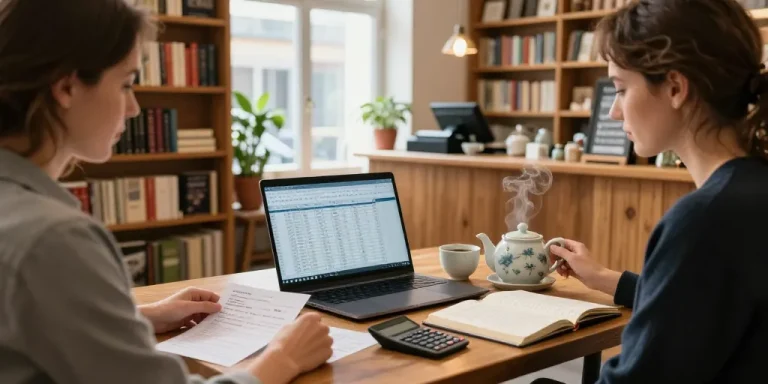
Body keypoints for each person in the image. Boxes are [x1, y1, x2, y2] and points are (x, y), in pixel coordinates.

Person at [0, 1, 332, 384]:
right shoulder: (53, 239)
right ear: (67, 86)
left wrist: (144, 315)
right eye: (125, 84)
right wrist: (281, 359)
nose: (134, 108)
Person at [534, 0, 768, 382]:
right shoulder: (752, 192)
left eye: (621, 89)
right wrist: (606, 278)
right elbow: (703, 303)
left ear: (675, 87)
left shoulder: (705, 220)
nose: (613, 112)